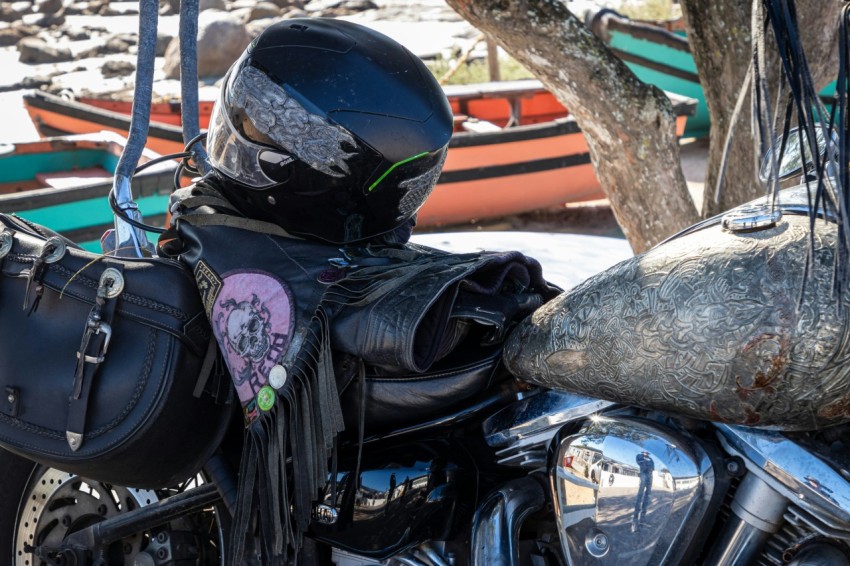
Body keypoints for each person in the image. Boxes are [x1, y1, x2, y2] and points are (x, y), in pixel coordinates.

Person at [633, 450, 654, 530]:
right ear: (642, 452)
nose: (646, 453)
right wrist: (645, 464)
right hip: (643, 474)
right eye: (645, 452)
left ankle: (643, 518)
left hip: (650, 475)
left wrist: (649, 468)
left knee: (648, 495)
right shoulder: (639, 455)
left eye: (647, 453)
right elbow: (639, 461)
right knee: (640, 495)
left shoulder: (651, 459)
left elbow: (653, 467)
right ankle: (635, 519)